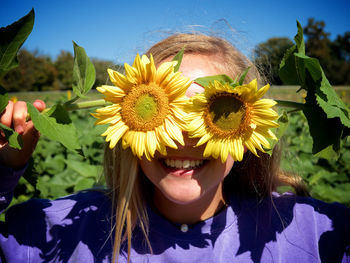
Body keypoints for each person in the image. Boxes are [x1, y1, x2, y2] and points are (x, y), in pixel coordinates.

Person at [0, 33, 349, 263]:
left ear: (248, 128)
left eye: (214, 114)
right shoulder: (60, 229)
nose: (181, 138)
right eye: (169, 112)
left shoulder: (309, 232)